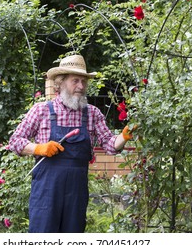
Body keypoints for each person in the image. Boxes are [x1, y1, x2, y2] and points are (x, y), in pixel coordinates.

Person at [8, 54, 134, 233]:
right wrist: (39, 148)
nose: (81, 86)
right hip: (46, 194)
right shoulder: (41, 110)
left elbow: (110, 144)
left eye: (83, 81)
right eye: (75, 81)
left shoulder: (92, 114)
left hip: (76, 194)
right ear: (60, 83)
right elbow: (15, 141)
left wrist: (124, 136)